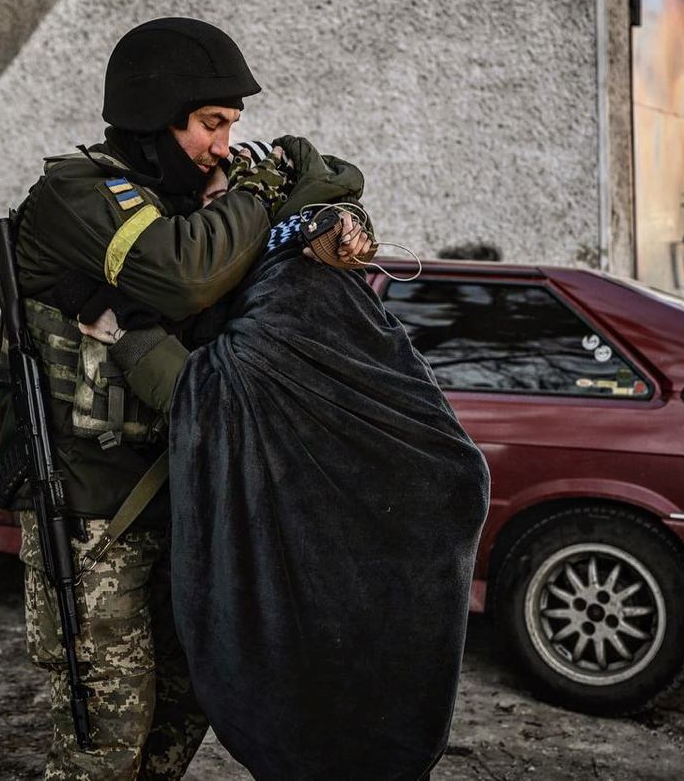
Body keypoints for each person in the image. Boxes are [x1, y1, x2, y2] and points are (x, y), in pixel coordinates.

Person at [0, 18, 372, 779]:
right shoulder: (78, 192)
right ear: (154, 115)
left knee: (188, 701)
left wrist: (337, 217)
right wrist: (258, 194)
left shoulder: (200, 200)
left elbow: (326, 181)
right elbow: (182, 276)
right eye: (210, 123)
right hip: (89, 512)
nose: (225, 145)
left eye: (232, 125)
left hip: (188, 498)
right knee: (106, 737)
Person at [81, 142, 490, 779]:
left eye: (223, 202)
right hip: (345, 540)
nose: (214, 222)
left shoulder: (294, 278)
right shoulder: (282, 275)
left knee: (335, 708)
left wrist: (127, 335)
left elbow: (212, 396)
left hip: (366, 537)